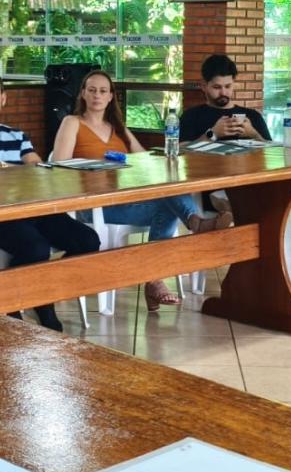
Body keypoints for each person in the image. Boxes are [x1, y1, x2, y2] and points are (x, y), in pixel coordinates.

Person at [50, 69, 229, 310]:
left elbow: (144, 159)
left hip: (126, 200)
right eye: (91, 90)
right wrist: (97, 167)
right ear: (82, 93)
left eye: (103, 91)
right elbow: (58, 165)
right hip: (92, 207)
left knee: (167, 202)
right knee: (169, 204)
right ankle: (193, 223)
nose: (97, 96)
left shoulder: (117, 127)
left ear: (111, 96)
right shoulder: (72, 122)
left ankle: (155, 279)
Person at [0, 70, 99, 332]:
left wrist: (0, 165)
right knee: (35, 248)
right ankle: (37, 307)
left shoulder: (16, 135)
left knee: (88, 241)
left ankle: (34, 295)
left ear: (3, 99)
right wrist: (16, 168)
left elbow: (37, 169)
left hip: (30, 209)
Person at [179, 54, 270, 144]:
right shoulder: (191, 116)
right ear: (203, 86)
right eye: (217, 87)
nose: (223, 92)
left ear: (233, 83)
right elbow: (181, 151)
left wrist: (253, 134)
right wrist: (213, 134)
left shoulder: (253, 116)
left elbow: (271, 152)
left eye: (228, 86)